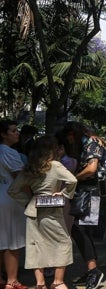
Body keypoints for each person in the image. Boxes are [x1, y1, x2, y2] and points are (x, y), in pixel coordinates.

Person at [8, 135, 78, 289]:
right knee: (63, 242)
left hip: (33, 209)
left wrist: (27, 201)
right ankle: (58, 281)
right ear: (52, 149)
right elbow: (73, 180)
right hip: (53, 209)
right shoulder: (55, 165)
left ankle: (40, 283)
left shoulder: (29, 167)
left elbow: (13, 190)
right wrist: (64, 194)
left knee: (35, 246)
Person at [63, 122, 106, 289]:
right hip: (86, 191)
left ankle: (94, 270)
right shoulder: (90, 143)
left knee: (80, 229)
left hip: (90, 191)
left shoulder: (91, 144)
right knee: (81, 229)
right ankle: (92, 269)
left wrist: (74, 177)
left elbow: (91, 169)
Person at [0, 119, 27, 289]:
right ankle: (12, 279)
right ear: (3, 134)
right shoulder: (9, 152)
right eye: (13, 131)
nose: (17, 133)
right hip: (10, 194)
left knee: (2, 239)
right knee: (13, 240)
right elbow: (20, 177)